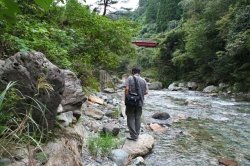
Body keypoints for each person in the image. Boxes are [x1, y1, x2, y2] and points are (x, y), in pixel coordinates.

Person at [124, 67, 148, 140]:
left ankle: (133, 136)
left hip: (131, 101)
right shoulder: (143, 80)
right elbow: (146, 92)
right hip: (140, 101)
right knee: (138, 117)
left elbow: (127, 89)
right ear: (139, 73)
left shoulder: (130, 78)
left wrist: (126, 98)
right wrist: (139, 95)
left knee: (130, 117)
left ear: (133, 72)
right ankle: (137, 134)